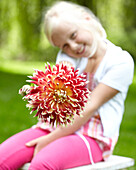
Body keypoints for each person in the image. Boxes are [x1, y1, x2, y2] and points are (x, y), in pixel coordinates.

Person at [0, 1, 134, 170]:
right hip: (56, 127)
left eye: (73, 35)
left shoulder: (120, 62)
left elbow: (87, 108)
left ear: (87, 20)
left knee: (42, 165)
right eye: (63, 46)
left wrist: (49, 140)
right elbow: (56, 97)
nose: (73, 47)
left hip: (93, 136)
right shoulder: (68, 57)